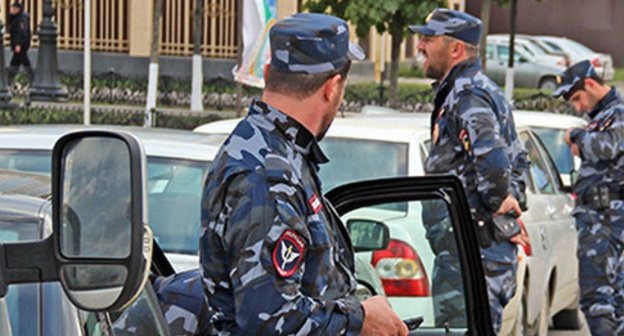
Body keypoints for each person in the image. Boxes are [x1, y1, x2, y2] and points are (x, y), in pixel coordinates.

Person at [200, 13, 408, 336]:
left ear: (269, 73)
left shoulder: (277, 151)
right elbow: (268, 321)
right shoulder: (266, 176)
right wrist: (359, 319)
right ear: (332, 88)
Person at [411, 8, 530, 333]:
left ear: (455, 49)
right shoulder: (481, 90)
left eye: (428, 39)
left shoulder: (467, 93)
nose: (420, 46)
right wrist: (509, 198)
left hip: (472, 255)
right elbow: (520, 160)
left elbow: (493, 160)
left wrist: (499, 202)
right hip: (478, 252)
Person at [554, 60, 624, 335]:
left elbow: (608, 146)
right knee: (614, 299)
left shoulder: (617, 113)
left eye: (577, 98)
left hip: (605, 218)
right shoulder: (604, 115)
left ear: (591, 84)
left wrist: (579, 137)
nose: (578, 106)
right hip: (603, 217)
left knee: (597, 300)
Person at [7, 2, 33, 82]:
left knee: (22, 61)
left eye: (13, 8)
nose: (11, 10)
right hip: (19, 45)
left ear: (18, 9)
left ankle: (32, 78)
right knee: (17, 62)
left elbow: (21, 32)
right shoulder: (16, 17)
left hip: (21, 45)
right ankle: (10, 80)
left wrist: (18, 44)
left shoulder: (22, 19)